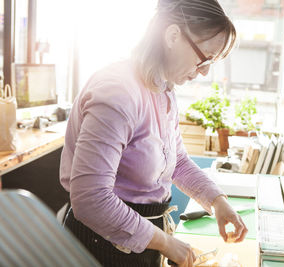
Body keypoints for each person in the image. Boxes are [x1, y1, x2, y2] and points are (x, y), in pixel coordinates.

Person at [60, 0, 247, 266]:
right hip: (101, 243)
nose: (205, 71)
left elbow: (177, 162)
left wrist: (217, 202)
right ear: (172, 35)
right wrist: (166, 242)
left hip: (142, 238)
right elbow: (91, 200)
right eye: (204, 58)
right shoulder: (118, 93)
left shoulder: (163, 89)